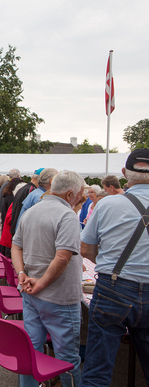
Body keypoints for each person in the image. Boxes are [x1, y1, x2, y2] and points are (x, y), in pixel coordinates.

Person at [80, 148, 149, 385]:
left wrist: (113, 266)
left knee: (98, 371)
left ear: (124, 174)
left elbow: (86, 250)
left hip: (114, 287)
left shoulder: (108, 204)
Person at [11, 170, 86, 387]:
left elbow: (17, 246)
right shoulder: (67, 215)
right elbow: (62, 258)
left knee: (32, 350)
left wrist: (22, 274)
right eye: (80, 194)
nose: (80, 198)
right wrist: (41, 282)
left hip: (31, 293)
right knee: (68, 358)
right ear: (70, 193)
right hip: (59, 298)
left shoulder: (32, 211)